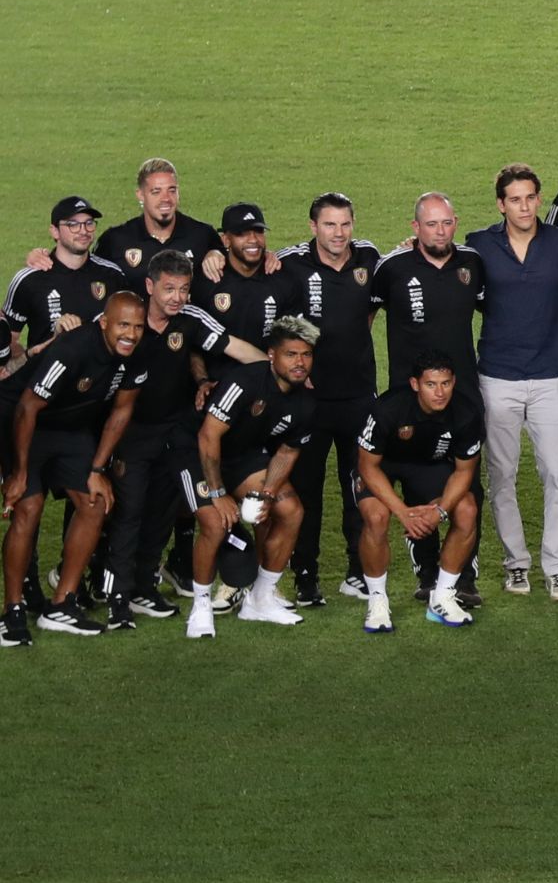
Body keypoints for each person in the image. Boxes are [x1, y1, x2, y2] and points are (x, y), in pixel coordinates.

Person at [102, 251, 265, 629]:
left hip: (175, 433)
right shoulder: (129, 320)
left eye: (184, 289)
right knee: (129, 514)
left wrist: (278, 374)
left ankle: (144, 587)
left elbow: (236, 348)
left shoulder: (190, 319)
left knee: (161, 511)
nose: (177, 297)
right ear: (149, 287)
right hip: (131, 433)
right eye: (169, 288)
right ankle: (117, 598)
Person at [0, 292, 146, 645]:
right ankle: (12, 611)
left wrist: (97, 468)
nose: (131, 334)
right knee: (28, 507)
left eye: (138, 326)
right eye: (123, 325)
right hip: (19, 420)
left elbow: (122, 412)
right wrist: (18, 474)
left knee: (94, 502)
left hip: (70, 429)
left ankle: (62, 604)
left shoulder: (138, 354)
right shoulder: (73, 348)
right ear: (104, 323)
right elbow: (26, 408)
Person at [370, 192, 489, 599]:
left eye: (446, 223)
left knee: (468, 486)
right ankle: (426, 574)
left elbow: (499, 309)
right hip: (411, 401)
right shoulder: (392, 267)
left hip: (463, 397)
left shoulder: (472, 263)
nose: (440, 231)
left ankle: (464, 578)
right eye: (431, 224)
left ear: (456, 222)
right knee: (420, 484)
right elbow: (363, 316)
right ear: (415, 228)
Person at [468, 165, 558, 602]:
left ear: (538, 198)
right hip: (497, 376)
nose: (524, 206)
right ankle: (516, 564)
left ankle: (556, 567)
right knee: (502, 476)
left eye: (530, 197)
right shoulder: (478, 245)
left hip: (551, 375)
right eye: (515, 199)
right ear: (501, 204)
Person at [176, 316, 321, 638]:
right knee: (215, 523)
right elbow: (208, 437)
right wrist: (217, 493)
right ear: (272, 355)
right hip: (195, 451)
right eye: (291, 354)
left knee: (291, 511)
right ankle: (201, 606)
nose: (300, 363)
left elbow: (287, 452)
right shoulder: (243, 382)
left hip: (242, 456)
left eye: (306, 355)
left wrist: (267, 494)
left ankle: (260, 598)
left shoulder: (306, 402)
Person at [276, 193, 384, 608]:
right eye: (329, 225)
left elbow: (371, 310)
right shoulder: (290, 263)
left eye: (344, 225)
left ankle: (357, 571)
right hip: (309, 400)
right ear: (313, 227)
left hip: (358, 396)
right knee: (306, 488)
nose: (338, 234)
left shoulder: (368, 258)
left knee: (359, 484)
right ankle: (306, 575)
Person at [353, 352, 485, 632]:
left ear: (454, 382)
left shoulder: (467, 413)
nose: (440, 393)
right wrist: (404, 513)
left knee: (467, 509)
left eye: (446, 384)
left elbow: (464, 472)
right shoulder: (388, 408)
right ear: (415, 384)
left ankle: (443, 596)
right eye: (431, 384)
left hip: (428, 465)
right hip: (382, 466)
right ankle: (377, 601)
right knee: (376, 517)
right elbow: (367, 466)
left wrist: (440, 510)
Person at [6, 195, 131, 353]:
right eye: (73, 224)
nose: (83, 230)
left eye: (89, 223)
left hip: (100, 376)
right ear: (55, 231)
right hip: (46, 376)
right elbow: (8, 341)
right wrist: (30, 360)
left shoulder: (112, 276)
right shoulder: (29, 280)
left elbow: (129, 330)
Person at [193, 203, 296, 351]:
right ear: (226, 240)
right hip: (217, 374)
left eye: (258, 231)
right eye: (242, 233)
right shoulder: (207, 280)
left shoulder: (281, 279)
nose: (253, 239)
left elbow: (291, 340)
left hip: (265, 372)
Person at [93, 158, 223, 275]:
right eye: (156, 192)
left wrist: (216, 253)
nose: (166, 198)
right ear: (140, 195)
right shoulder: (115, 240)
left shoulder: (203, 236)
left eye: (172, 190)